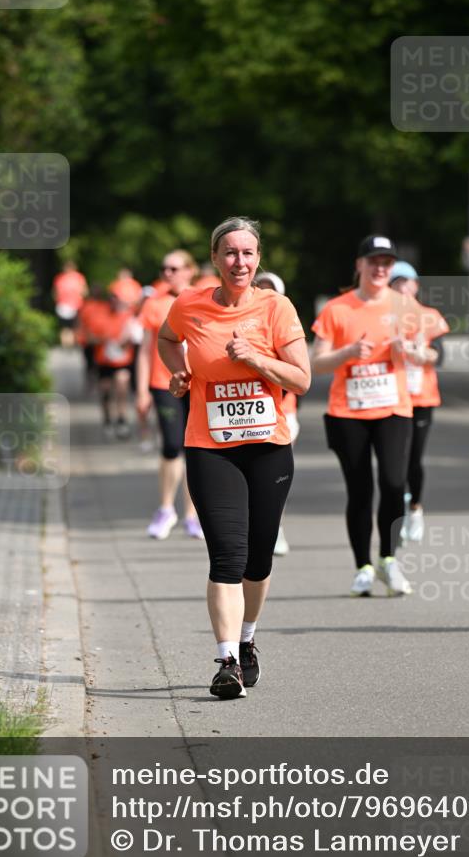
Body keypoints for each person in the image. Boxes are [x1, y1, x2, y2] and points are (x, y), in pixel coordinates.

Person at [158, 217, 310, 699]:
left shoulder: (276, 308)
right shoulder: (189, 305)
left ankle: (247, 641)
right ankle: (225, 661)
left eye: (247, 253)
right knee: (227, 555)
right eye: (229, 253)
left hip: (268, 448)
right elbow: (166, 338)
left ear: (258, 258)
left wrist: (257, 360)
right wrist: (180, 371)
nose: (239, 262)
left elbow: (301, 380)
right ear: (215, 259)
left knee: (258, 558)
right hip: (210, 448)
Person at [311, 235, 422, 597]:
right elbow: (316, 363)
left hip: (393, 408)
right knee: (360, 490)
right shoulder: (336, 309)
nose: (380, 268)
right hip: (349, 412)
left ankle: (389, 559)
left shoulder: (405, 306)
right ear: (359, 264)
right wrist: (349, 352)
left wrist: (408, 351)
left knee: (394, 483)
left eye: (387, 263)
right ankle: (363, 566)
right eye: (373, 261)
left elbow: (424, 354)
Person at [137, 250, 204, 540]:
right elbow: (143, 351)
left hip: (198, 383)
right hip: (163, 383)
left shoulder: (203, 299)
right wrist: (141, 391)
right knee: (171, 444)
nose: (168, 273)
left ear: (189, 271)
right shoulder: (155, 304)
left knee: (196, 449)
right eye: (164, 268)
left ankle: (193, 514)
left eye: (175, 268)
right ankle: (166, 508)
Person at [389, 261, 449, 543]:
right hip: (391, 397)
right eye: (395, 283)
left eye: (406, 281)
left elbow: (440, 354)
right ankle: (397, 511)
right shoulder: (382, 317)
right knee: (394, 459)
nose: (402, 287)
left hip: (422, 397)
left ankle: (416, 509)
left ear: (415, 285)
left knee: (414, 458)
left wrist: (421, 353)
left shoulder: (429, 316)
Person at [253, 271, 300, 556]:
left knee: (273, 479)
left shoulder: (286, 321)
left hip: (283, 412)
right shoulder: (239, 322)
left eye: (272, 290)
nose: (266, 295)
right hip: (244, 415)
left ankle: (275, 528)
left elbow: (299, 376)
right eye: (261, 289)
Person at [94, 293, 138, 439]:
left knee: (122, 384)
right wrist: (103, 340)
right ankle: (107, 420)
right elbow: (89, 337)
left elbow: (133, 337)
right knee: (105, 392)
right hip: (104, 361)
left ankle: (122, 419)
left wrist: (123, 342)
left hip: (122, 362)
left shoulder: (127, 317)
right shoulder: (100, 318)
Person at [52, 261, 88, 348]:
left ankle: (68, 345)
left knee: (69, 327)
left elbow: (55, 294)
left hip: (71, 306)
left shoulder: (75, 277)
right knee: (69, 327)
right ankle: (68, 345)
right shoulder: (64, 278)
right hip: (69, 306)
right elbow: (85, 292)